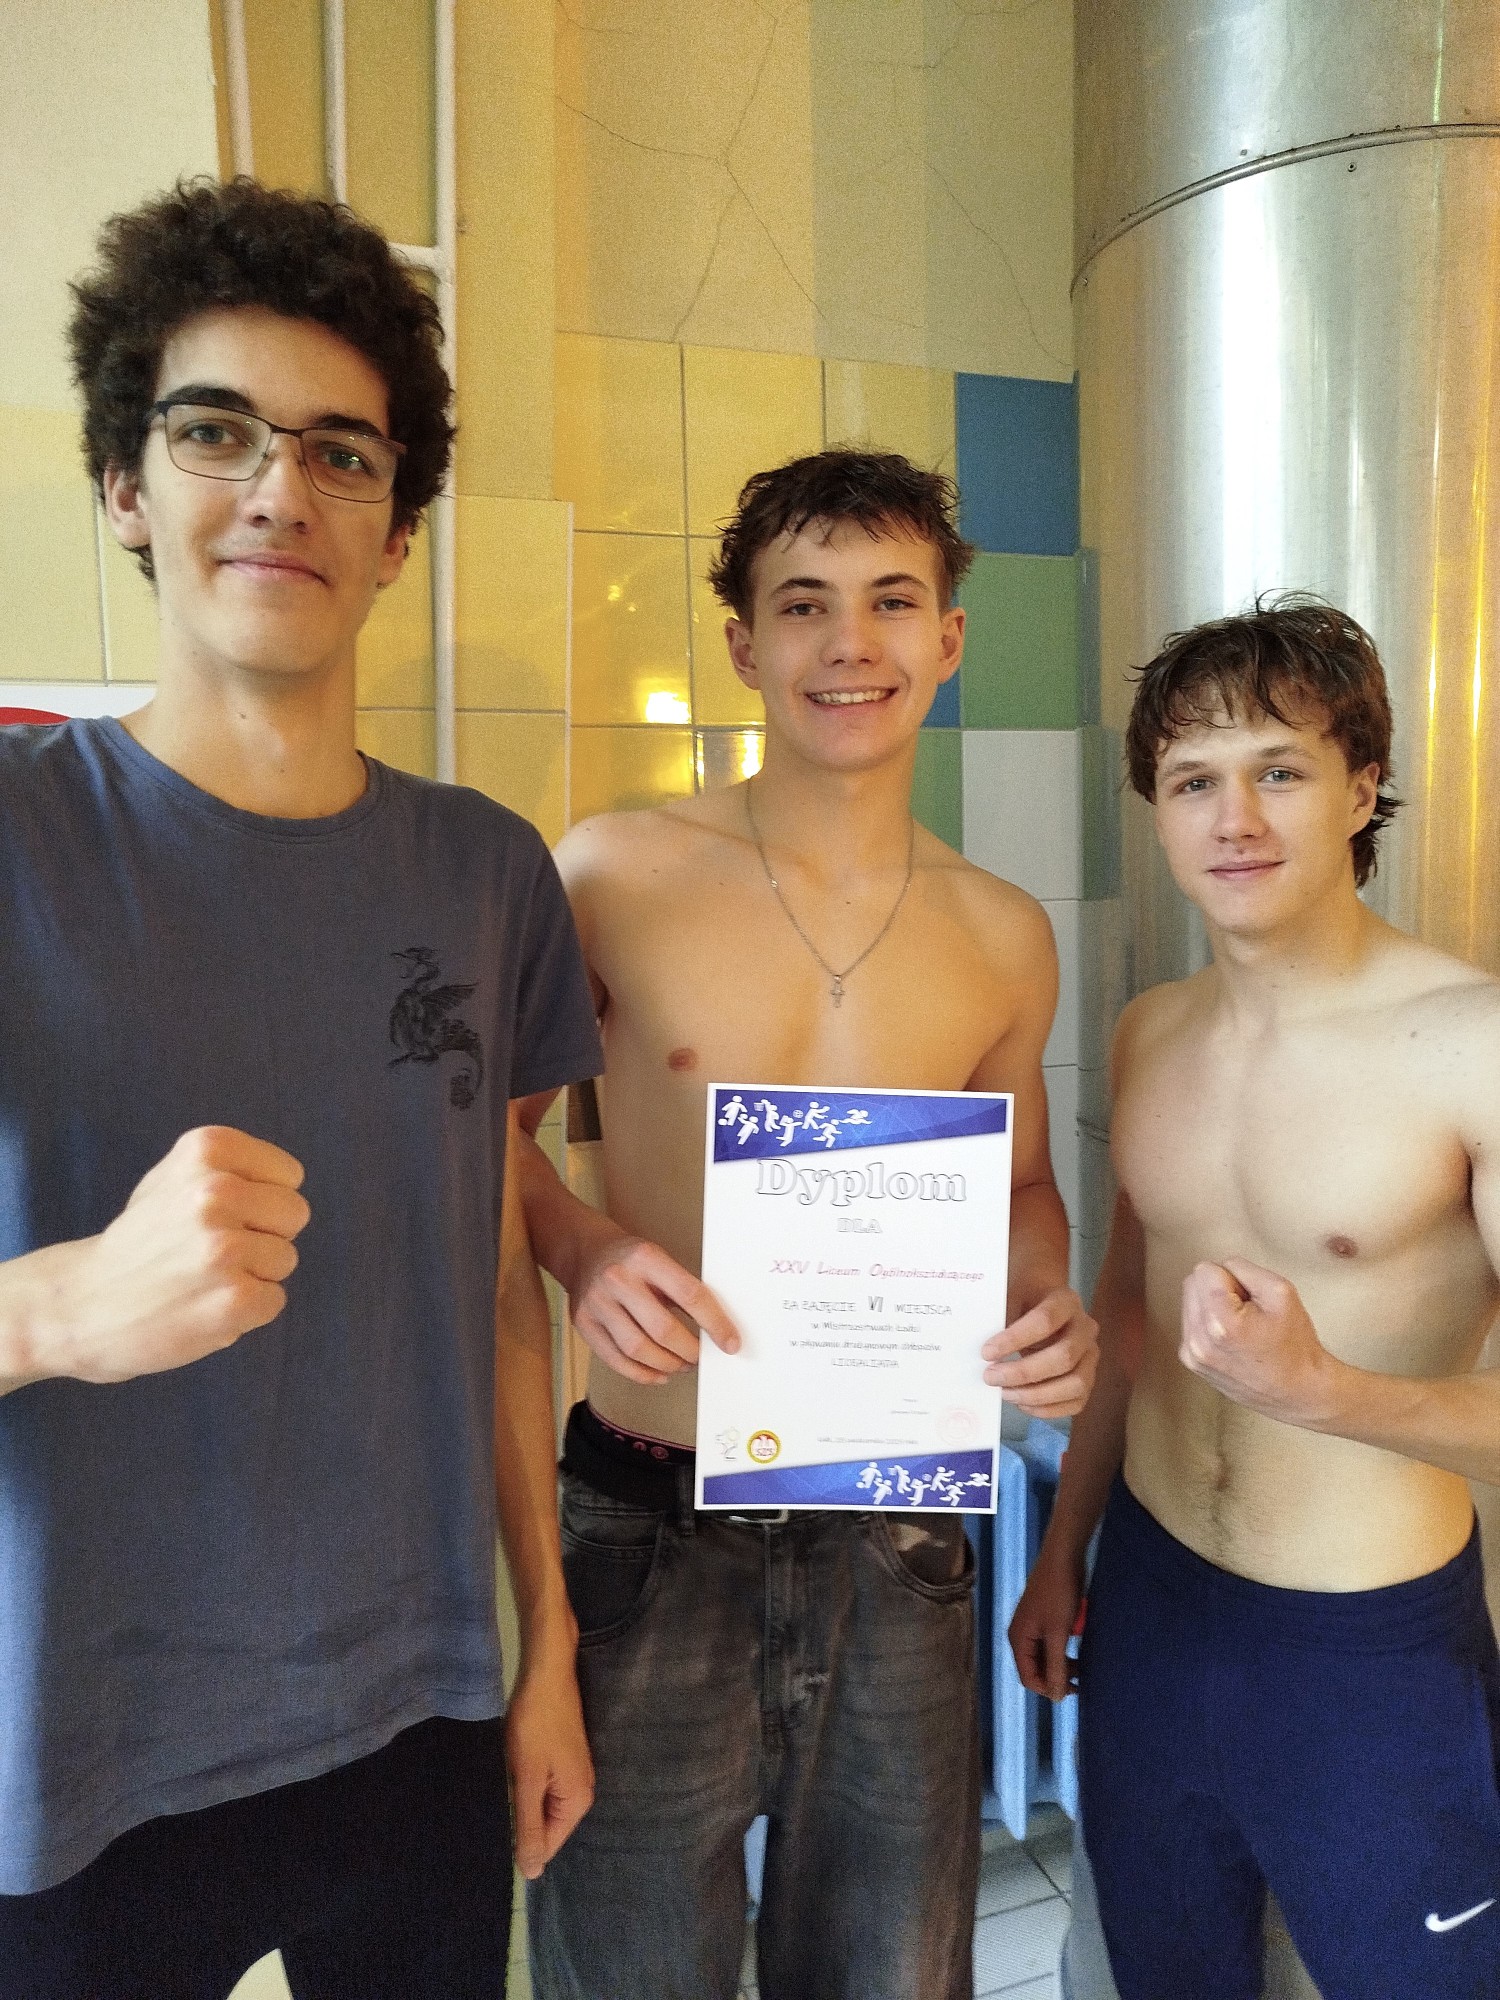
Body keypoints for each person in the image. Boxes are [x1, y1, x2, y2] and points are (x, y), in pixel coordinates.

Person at [0, 178, 601, 1997]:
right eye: (215, 432)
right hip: (76, 1759)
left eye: (343, 454)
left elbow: (496, 1286)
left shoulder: (488, 876)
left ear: (398, 530)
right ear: (125, 485)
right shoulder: (21, 844)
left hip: (421, 1719)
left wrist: (548, 1640)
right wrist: (53, 1308)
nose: (280, 490)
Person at [514, 447, 1100, 2000]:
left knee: (890, 1971)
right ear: (744, 645)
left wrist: (1044, 1301)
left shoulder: (1001, 933)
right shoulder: (612, 871)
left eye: (893, 602)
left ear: (949, 639)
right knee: (631, 1971)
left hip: (895, 1533)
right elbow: (489, 1151)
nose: (852, 643)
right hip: (646, 1519)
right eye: (804, 604)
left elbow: (1021, 1186)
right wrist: (582, 1247)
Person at [1010, 599, 1500, 2000]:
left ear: (1361, 787)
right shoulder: (1150, 1034)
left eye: (1279, 770)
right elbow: (1127, 1316)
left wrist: (1328, 1394)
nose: (1234, 819)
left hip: (1365, 1647)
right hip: (1153, 1605)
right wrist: (1065, 1548)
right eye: (1192, 780)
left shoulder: (1470, 1044)